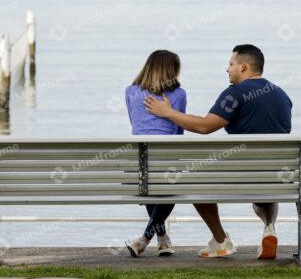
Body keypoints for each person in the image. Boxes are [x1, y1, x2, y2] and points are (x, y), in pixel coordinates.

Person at [144, 44, 292, 259]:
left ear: (243, 66)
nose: (227, 69)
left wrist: (168, 112)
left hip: (241, 175)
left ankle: (221, 240)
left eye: (231, 64)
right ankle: (269, 228)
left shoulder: (235, 93)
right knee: (265, 182)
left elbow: (205, 127)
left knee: (192, 178)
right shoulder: (281, 95)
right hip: (277, 176)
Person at [124, 50, 187, 257]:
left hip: (139, 160)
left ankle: (158, 239)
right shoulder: (178, 95)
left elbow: (135, 124)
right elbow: (179, 130)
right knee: (169, 187)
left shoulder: (130, 91)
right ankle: (149, 239)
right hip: (167, 160)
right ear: (173, 71)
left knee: (149, 180)